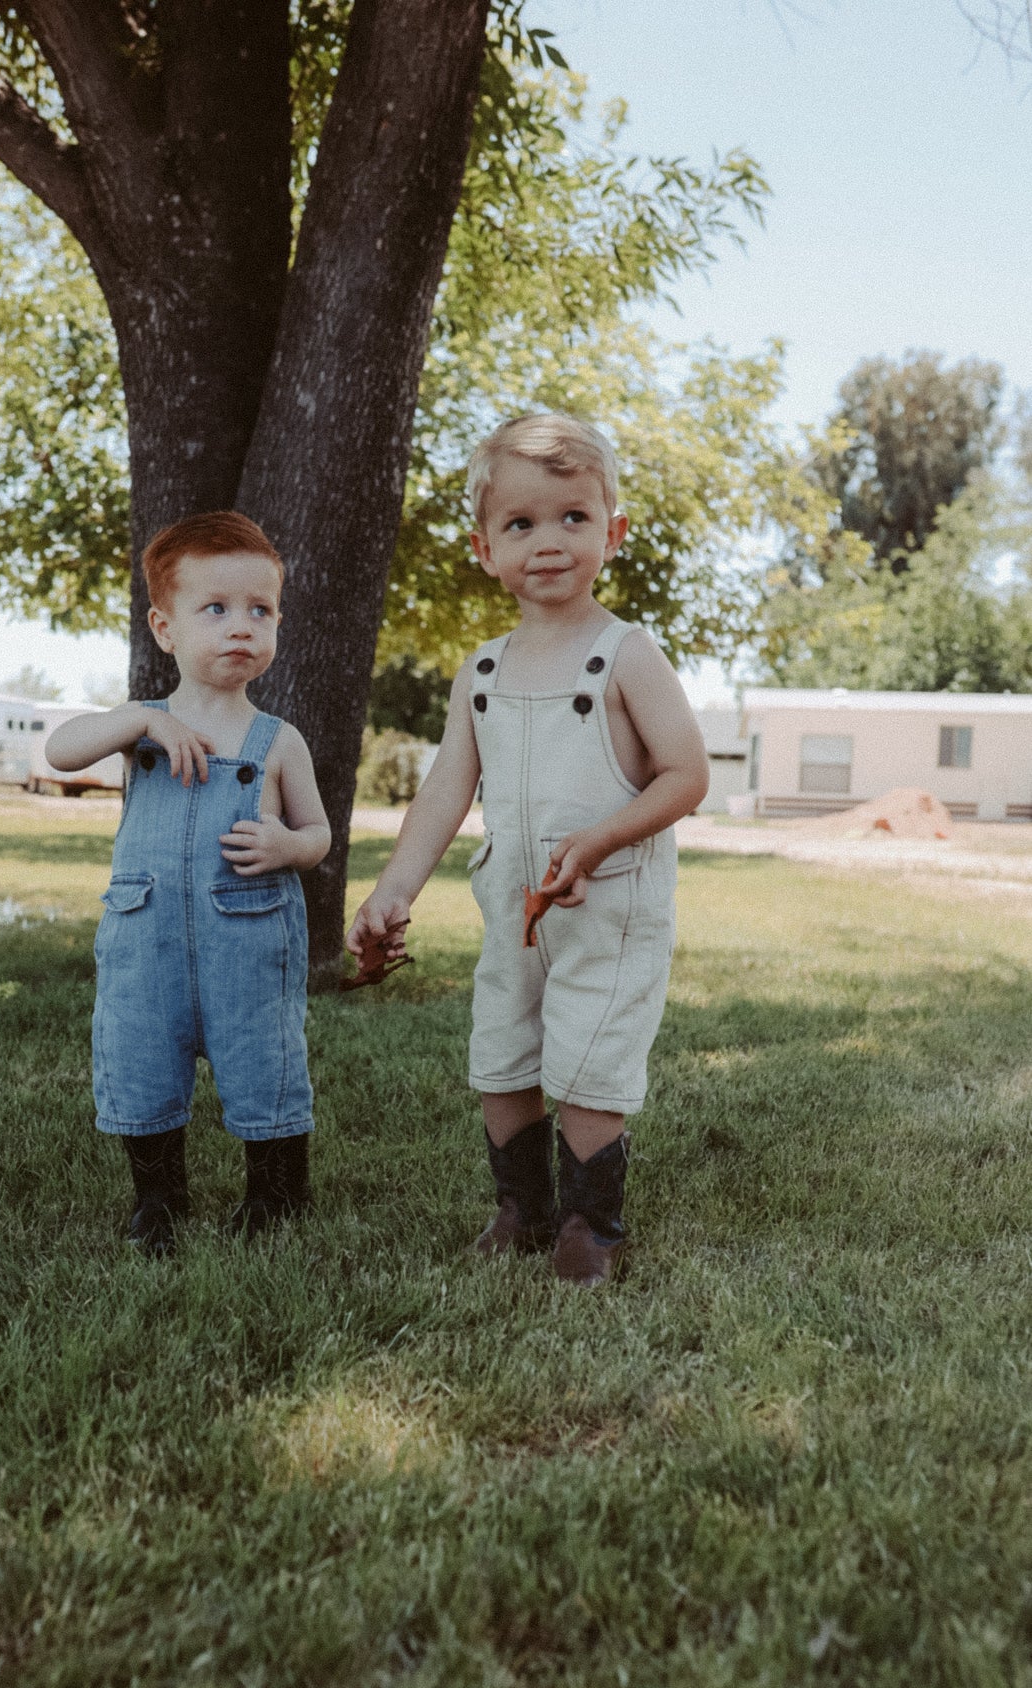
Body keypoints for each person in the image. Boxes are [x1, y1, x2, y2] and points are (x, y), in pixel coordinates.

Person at [346, 414, 709, 1285]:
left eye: (572, 518)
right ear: (483, 547)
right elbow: (444, 790)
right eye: (521, 524)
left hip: (606, 906)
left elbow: (685, 775)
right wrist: (394, 887)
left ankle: (591, 1226)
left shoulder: (624, 656)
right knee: (502, 1052)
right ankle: (521, 1208)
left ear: (611, 533)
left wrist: (603, 835)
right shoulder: (480, 672)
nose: (547, 542)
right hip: (512, 906)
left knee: (590, 1059)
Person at [47, 510, 331, 1256]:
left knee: (262, 1057)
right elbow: (59, 750)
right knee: (142, 1058)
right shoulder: (137, 726)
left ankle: (275, 1193)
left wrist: (286, 845)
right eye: (216, 609)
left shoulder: (279, 740)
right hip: (149, 939)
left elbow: (319, 835)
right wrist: (142, 717)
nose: (241, 626)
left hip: (249, 936)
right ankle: (157, 1201)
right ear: (164, 628)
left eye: (259, 611)